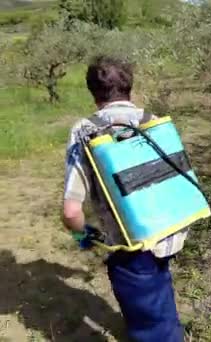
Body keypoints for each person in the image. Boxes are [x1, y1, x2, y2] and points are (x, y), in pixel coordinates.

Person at [61, 55, 185, 342]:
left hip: (133, 242)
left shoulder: (85, 131)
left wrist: (83, 235)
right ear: (129, 86)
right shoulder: (154, 121)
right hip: (171, 229)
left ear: (92, 91)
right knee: (158, 284)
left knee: (150, 317)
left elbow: (70, 211)